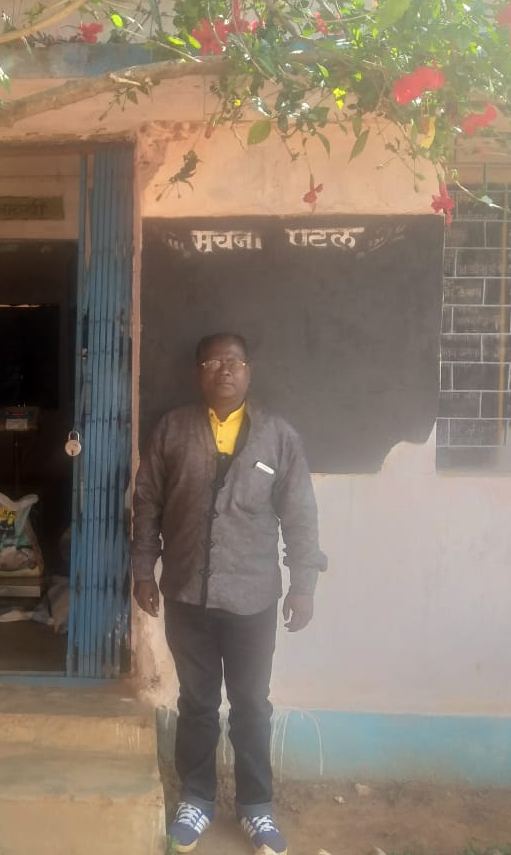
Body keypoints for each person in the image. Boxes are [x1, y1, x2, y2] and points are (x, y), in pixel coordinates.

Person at [131, 333, 327, 854]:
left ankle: (256, 808)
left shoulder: (278, 436)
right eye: (214, 361)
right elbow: (147, 501)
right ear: (199, 371)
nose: (225, 370)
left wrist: (303, 584)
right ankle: (196, 798)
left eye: (235, 362)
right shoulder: (172, 429)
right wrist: (143, 569)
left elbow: (301, 515)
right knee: (196, 702)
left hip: (253, 598)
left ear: (249, 372)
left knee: (249, 705)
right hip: (187, 593)